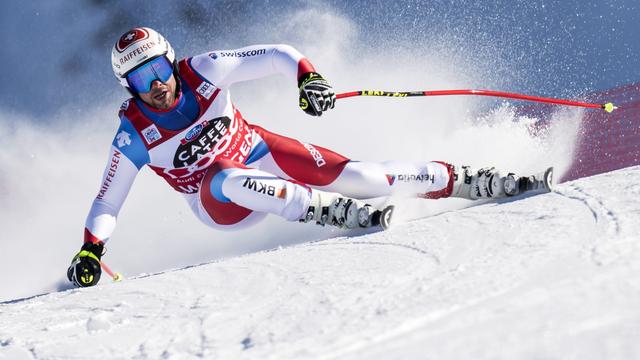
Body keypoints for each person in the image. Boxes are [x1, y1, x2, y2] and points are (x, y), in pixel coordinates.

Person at [67, 27, 551, 287]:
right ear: (126, 87)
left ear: (170, 60)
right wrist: (92, 250)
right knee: (222, 174)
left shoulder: (205, 70)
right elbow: (107, 204)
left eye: (156, 68)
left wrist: (308, 78)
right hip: (221, 203)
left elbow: (279, 53)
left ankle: (467, 179)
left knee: (364, 175)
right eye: (139, 79)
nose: (154, 85)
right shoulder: (135, 133)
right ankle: (324, 211)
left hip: (260, 151)